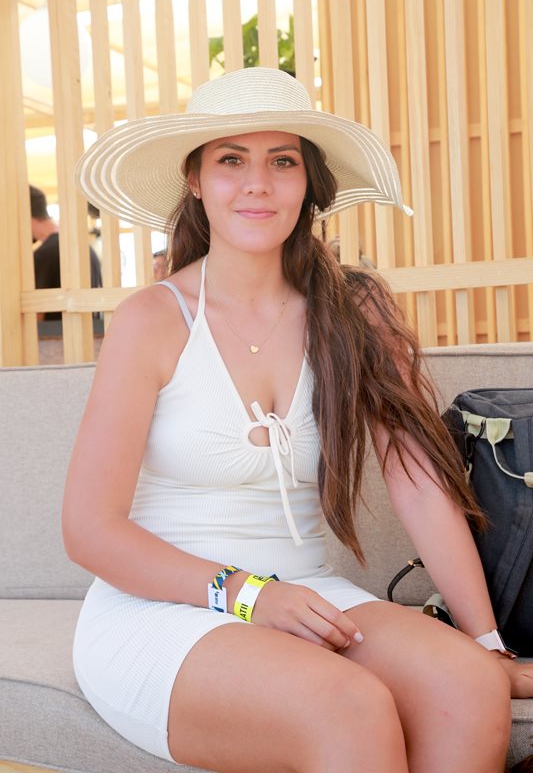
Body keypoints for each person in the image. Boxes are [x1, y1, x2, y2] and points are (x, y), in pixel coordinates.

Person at [63, 67, 533, 773]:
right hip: (164, 609)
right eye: (231, 160)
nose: (257, 184)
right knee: (347, 704)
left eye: (282, 161)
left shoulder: (355, 311)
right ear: (195, 180)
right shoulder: (151, 321)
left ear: (308, 181)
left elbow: (417, 483)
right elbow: (89, 529)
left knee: (467, 685)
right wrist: (249, 596)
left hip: (308, 593)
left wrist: (486, 644)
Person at [30, 185, 103, 319]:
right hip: (92, 330)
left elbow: (36, 314)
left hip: (56, 332)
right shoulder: (84, 247)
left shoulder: (44, 254)